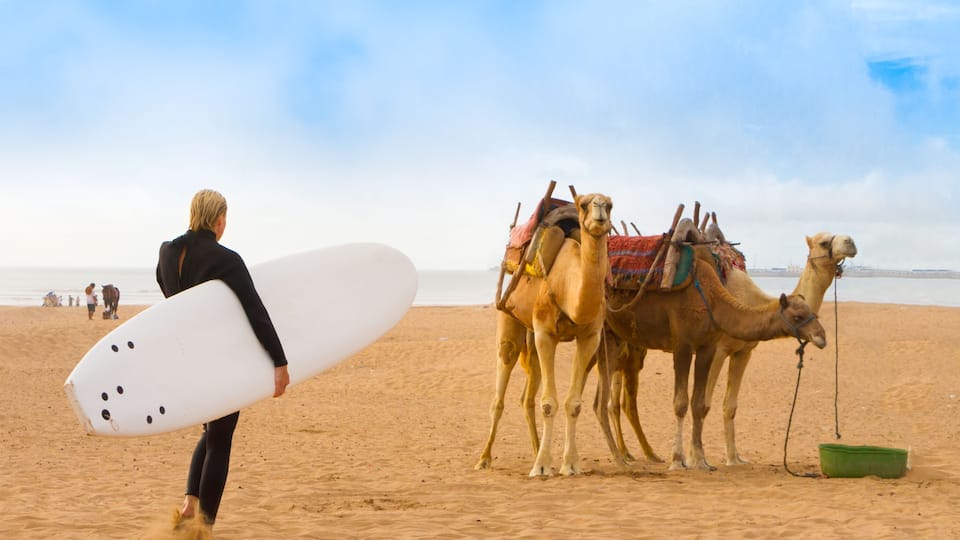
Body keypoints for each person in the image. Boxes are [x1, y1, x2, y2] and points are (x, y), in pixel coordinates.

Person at [156, 189, 290, 528]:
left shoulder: (167, 253)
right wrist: (279, 360)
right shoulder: (226, 259)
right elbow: (254, 310)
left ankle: (190, 504)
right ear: (219, 220)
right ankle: (205, 526)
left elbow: (170, 299)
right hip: (220, 359)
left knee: (211, 429)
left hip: (188, 359)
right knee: (221, 437)